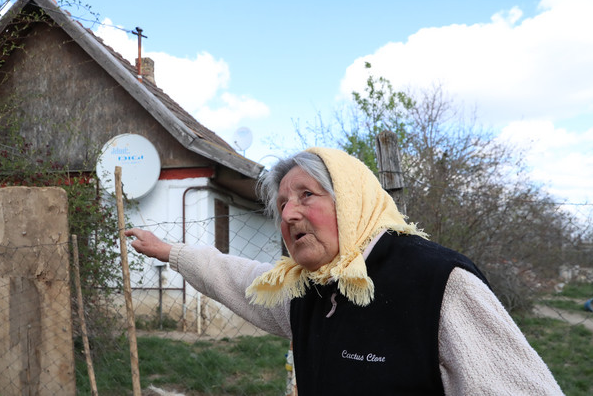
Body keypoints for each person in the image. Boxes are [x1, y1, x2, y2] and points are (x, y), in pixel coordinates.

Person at [125, 147, 563, 395]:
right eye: (281, 205)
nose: (290, 214)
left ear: (351, 202)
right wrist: (172, 253)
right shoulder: (311, 289)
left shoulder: (439, 283)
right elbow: (240, 278)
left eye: (306, 195)